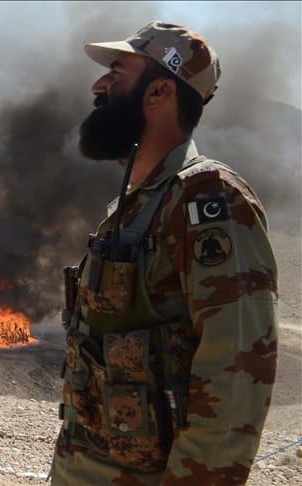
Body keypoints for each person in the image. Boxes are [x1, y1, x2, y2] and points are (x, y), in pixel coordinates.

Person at [52, 22, 278, 485]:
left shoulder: (208, 202)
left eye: (117, 73)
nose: (98, 86)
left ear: (157, 92)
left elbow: (236, 377)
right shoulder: (135, 207)